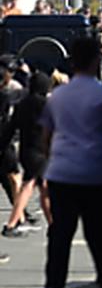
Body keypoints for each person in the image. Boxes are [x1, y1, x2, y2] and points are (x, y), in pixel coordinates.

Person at [41, 36, 102, 288]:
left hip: (62, 171)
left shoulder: (57, 96)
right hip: (94, 170)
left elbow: (46, 135)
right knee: (98, 232)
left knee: (61, 232)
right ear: (97, 60)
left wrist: (52, 159)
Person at [1, 68, 48, 237]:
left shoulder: (23, 105)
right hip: (42, 151)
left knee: (44, 187)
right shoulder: (47, 105)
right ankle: (12, 223)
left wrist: (2, 144)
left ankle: (54, 225)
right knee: (29, 186)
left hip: (26, 150)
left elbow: (11, 127)